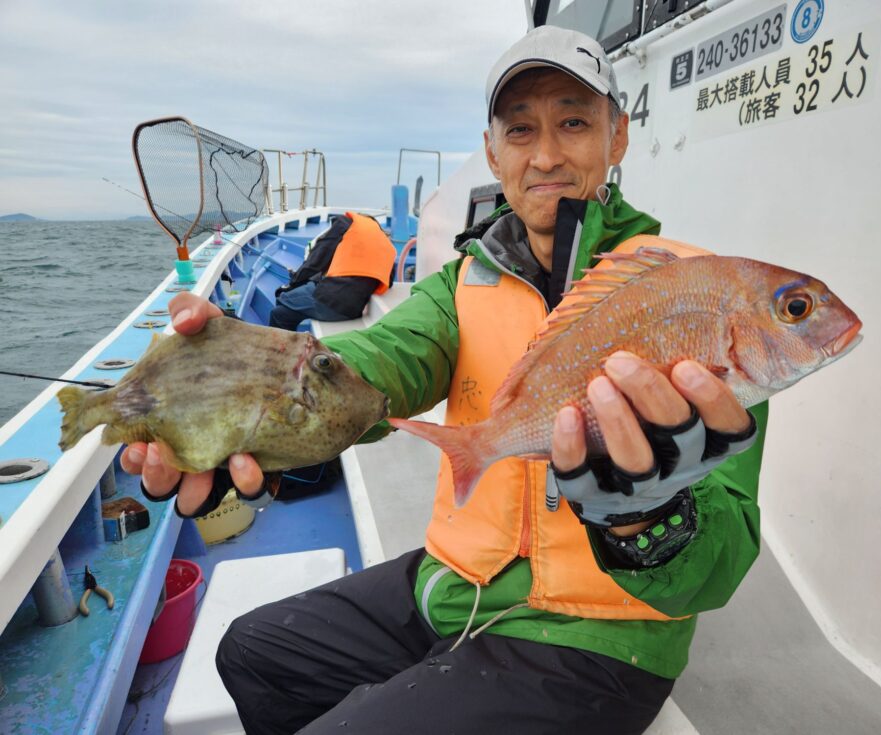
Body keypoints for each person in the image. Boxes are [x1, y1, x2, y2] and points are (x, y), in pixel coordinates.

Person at [122, 26, 766, 735]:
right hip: (457, 588)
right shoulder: (465, 279)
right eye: (521, 130)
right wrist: (258, 407)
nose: (546, 153)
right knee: (253, 651)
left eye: (574, 121)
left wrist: (647, 519)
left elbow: (725, 557)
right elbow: (379, 359)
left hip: (598, 639)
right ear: (493, 153)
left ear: (618, 136)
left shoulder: (697, 295)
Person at [268, 211, 396, 330]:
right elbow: (388, 281)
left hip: (329, 300)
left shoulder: (346, 223)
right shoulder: (388, 247)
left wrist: (292, 284)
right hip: (353, 310)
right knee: (284, 311)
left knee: (281, 300)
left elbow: (316, 261)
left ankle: (282, 352)